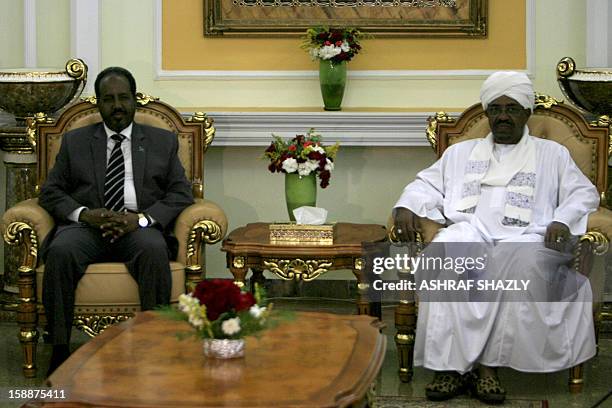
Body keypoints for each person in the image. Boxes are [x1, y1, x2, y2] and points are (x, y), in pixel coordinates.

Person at [392, 72, 599, 403]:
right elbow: (425, 185)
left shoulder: (552, 155)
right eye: (496, 108)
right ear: (487, 114)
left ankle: (488, 368)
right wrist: (406, 206)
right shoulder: (461, 154)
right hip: (470, 231)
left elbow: (583, 195)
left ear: (527, 112)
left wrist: (561, 219)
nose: (503, 116)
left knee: (513, 266)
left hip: (529, 238)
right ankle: (449, 368)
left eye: (512, 108)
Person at [39, 67, 194, 375]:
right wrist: (84, 214)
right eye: (108, 99)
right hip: (87, 228)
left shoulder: (163, 141)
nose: (117, 105)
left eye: (124, 97)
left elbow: (180, 194)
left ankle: (154, 340)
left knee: (153, 250)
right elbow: (50, 192)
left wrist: (143, 220)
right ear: (98, 103)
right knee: (61, 251)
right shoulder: (75, 142)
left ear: (135, 100)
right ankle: (59, 347)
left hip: (138, 228)